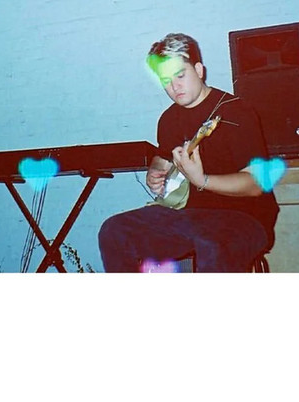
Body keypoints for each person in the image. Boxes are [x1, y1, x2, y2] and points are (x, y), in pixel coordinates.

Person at [98, 33, 279, 272]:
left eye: (180, 75)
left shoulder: (238, 113)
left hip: (245, 217)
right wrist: (155, 172)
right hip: (189, 216)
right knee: (114, 230)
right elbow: (163, 158)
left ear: (199, 70)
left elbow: (256, 185)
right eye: (166, 80)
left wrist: (202, 181)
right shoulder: (168, 119)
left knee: (213, 244)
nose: (174, 87)